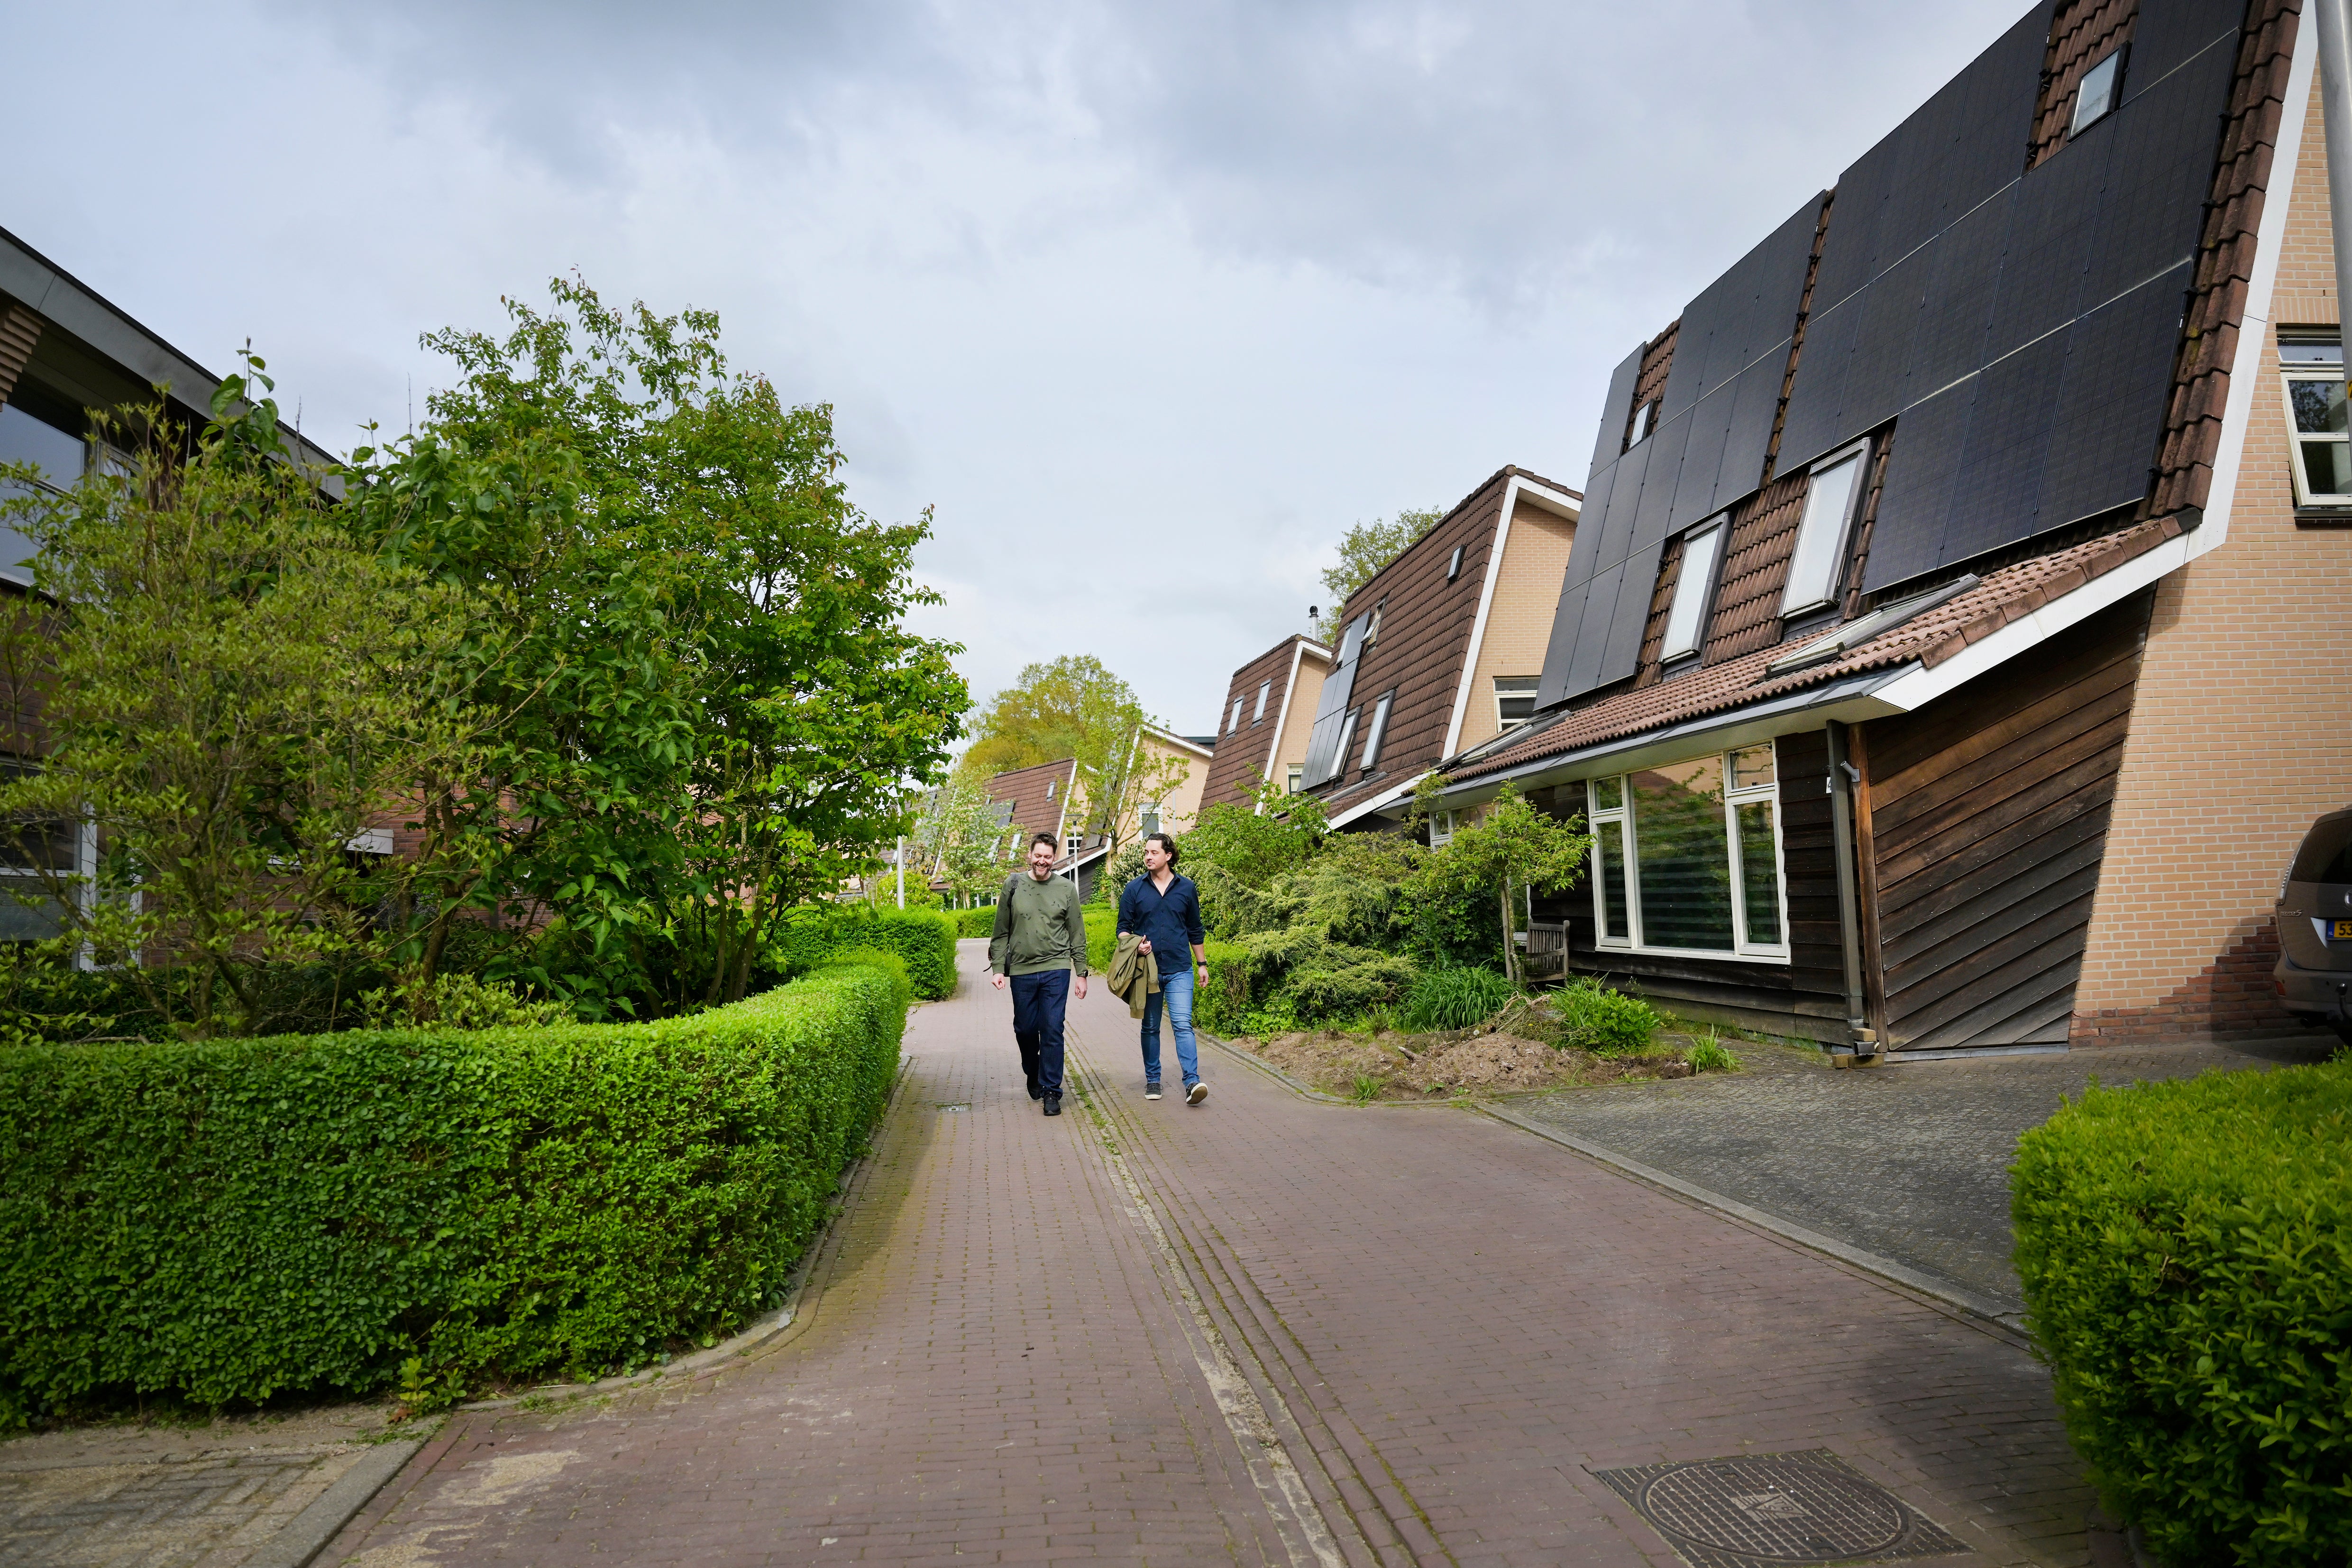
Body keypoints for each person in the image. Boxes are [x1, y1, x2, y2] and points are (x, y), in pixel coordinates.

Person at [989, 831, 1089, 1116]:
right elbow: (1001, 932)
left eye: (1047, 857)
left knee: (1053, 1028)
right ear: (1029, 855)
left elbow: (1077, 933)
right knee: (1024, 1029)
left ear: (1054, 858)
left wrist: (1081, 972)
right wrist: (998, 969)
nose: (1042, 861)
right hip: (1021, 970)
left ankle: (1051, 1091)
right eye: (1038, 856)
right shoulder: (1013, 885)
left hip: (1056, 968)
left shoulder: (1066, 889)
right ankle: (1032, 1069)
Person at [1117, 831, 1208, 1104]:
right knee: (1150, 1026)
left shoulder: (1187, 888)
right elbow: (1123, 929)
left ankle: (1192, 1082)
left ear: (1168, 855)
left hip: (1180, 968)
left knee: (1183, 1024)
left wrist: (1202, 964)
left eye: (1154, 852)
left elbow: (1195, 929)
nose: (1148, 856)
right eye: (1146, 852)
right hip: (1148, 971)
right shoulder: (1134, 889)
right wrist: (1136, 945)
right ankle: (1153, 1080)